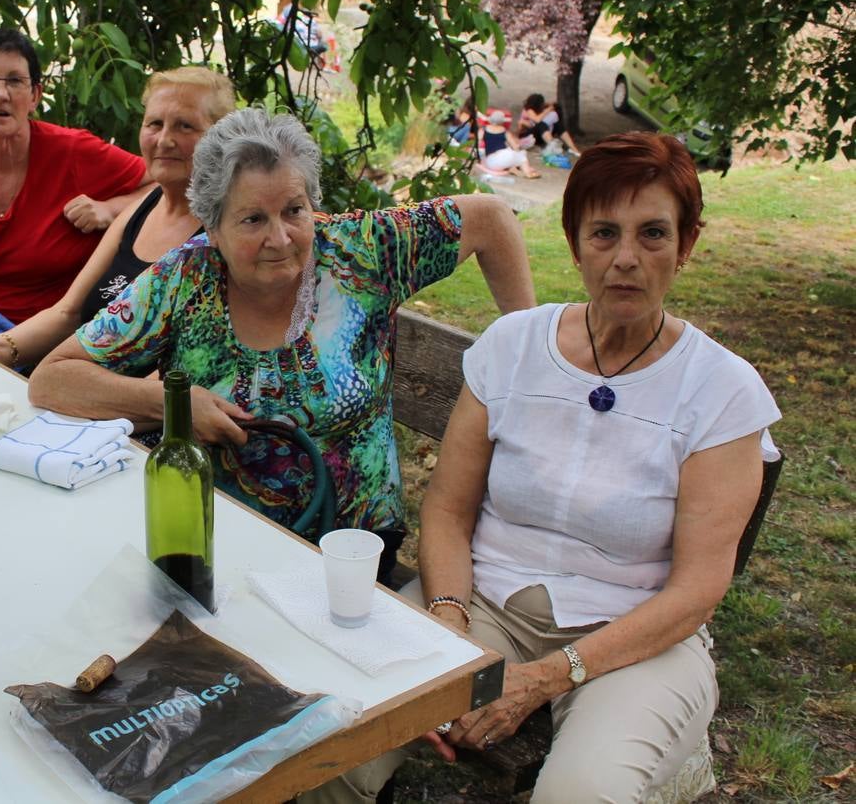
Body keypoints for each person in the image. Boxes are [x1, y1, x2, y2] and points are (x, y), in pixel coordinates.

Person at [312, 132, 781, 804]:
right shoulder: (513, 347)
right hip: (481, 604)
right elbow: (448, 508)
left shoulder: (721, 392)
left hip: (635, 639)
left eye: (653, 234)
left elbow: (699, 587)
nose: (626, 258)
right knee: (333, 737)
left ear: (686, 246)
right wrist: (448, 629)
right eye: (603, 233)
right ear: (574, 243)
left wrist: (543, 678)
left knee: (580, 794)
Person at [28, 108, 535, 577]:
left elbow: (491, 219)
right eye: (252, 219)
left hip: (349, 553)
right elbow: (52, 379)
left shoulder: (364, 253)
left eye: (294, 210)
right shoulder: (184, 277)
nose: (281, 237)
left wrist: (528, 355)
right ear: (213, 226)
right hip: (216, 543)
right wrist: (172, 406)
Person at [0, 67, 236, 369]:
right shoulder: (141, 208)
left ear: (219, 137)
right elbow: (67, 313)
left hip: (132, 407)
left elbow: (187, 368)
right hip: (68, 381)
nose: (164, 140)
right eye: (154, 124)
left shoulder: (221, 234)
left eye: (185, 126)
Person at [0, 28, 153, 338]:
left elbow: (165, 184)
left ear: (35, 95)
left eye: (14, 81)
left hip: (52, 333)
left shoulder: (73, 152)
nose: (0, 93)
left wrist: (111, 209)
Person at [480, 109, 540, 178]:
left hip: (490, 162)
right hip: (504, 155)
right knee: (522, 156)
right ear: (502, 121)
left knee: (510, 159)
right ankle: (528, 172)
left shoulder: (483, 130)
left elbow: (477, 143)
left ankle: (515, 169)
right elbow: (516, 147)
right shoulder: (505, 132)